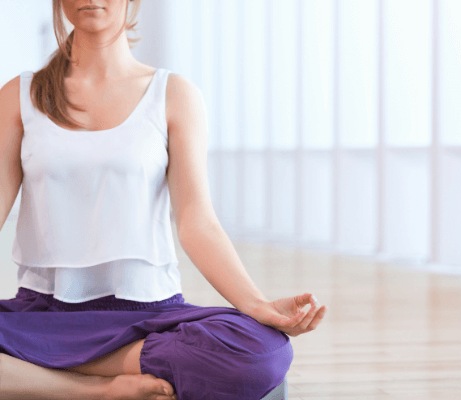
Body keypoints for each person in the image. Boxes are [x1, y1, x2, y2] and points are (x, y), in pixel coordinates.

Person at [0, 0, 327, 399]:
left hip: (147, 314)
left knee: (262, 353)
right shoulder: (19, 96)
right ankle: (95, 390)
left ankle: (42, 368)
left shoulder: (172, 94)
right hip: (42, 316)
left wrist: (257, 305)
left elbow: (196, 220)